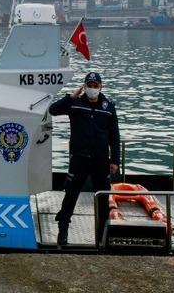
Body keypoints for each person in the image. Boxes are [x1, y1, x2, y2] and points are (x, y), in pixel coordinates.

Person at [48, 72, 120, 246]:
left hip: (100, 160)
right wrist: (70, 97)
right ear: (84, 86)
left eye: (96, 86)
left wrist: (115, 161)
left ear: (101, 87)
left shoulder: (108, 107)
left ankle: (102, 234)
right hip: (79, 159)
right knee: (71, 194)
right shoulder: (76, 104)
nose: (92, 89)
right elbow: (53, 110)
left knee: (103, 196)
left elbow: (114, 136)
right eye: (90, 85)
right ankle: (63, 229)